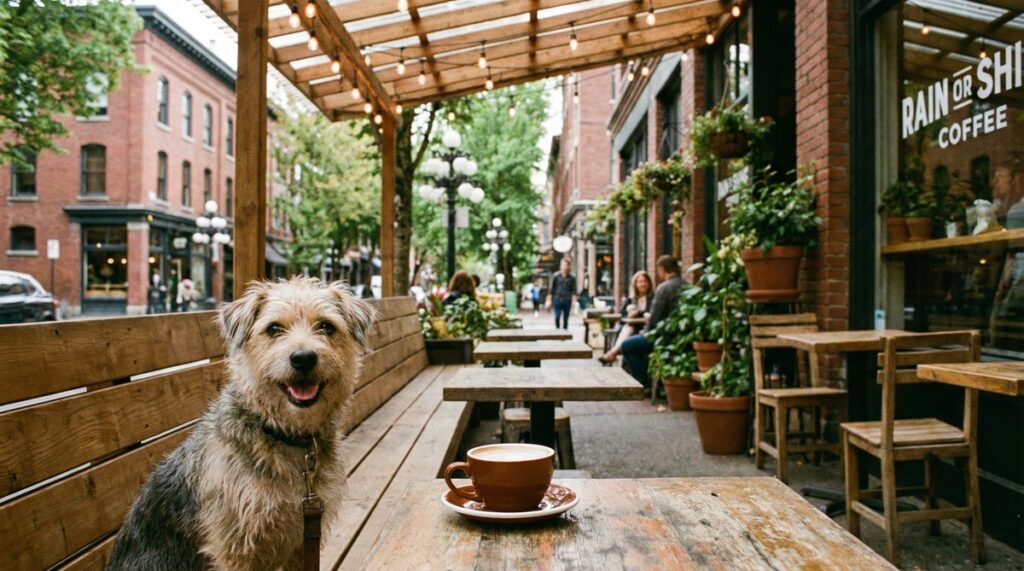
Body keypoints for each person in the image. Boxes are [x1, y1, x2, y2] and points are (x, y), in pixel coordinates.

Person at [621, 255, 683, 388]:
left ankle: (642, 383)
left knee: (627, 346)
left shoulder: (664, 288)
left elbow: (655, 317)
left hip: (663, 337)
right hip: (681, 336)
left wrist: (646, 331)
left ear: (662, 269)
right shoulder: (686, 285)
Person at [599, 270, 654, 364]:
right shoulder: (630, 300)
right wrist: (630, 314)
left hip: (646, 327)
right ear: (635, 284)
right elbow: (622, 315)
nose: (643, 284)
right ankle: (613, 353)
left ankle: (611, 354)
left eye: (645, 281)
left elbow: (654, 313)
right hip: (632, 327)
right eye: (640, 282)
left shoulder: (653, 298)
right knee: (628, 329)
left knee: (632, 331)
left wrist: (642, 313)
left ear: (649, 283)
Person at [547, 258, 576, 329]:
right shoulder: (556, 276)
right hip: (557, 299)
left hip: (567, 299)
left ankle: (565, 332)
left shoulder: (572, 278)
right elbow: (551, 289)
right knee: (557, 316)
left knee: (566, 318)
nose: (563, 267)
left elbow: (574, 290)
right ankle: (557, 329)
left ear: (568, 266)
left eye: (565, 265)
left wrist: (574, 301)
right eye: (562, 265)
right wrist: (549, 300)